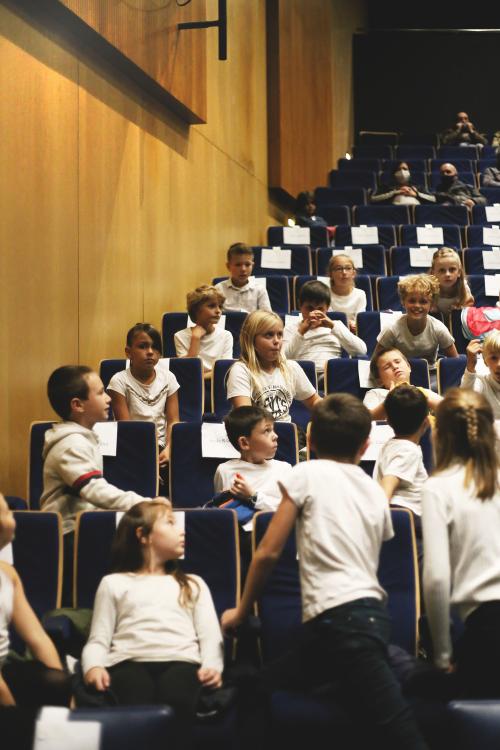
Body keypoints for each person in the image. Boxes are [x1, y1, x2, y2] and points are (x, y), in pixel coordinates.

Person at [221, 394, 429, 750]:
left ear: (311, 440)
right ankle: (406, 670)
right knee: (258, 687)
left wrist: (241, 610)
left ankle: (418, 676)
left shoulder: (306, 472)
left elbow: (268, 552)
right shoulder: (374, 491)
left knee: (399, 728)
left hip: (342, 621)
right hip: (365, 619)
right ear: (366, 446)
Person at [82, 500, 223, 742]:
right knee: (135, 712)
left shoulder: (193, 583)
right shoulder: (114, 583)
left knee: (177, 703)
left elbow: (210, 637)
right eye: (170, 523)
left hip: (181, 660)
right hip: (127, 661)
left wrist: (212, 666)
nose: (182, 530)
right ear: (143, 535)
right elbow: (98, 639)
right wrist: (93, 666)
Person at [41, 365, 157, 604]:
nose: (108, 399)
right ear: (77, 405)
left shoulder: (82, 437)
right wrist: (145, 503)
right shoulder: (70, 444)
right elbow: (94, 489)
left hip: (86, 527)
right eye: (101, 393)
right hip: (69, 536)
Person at [422, 389, 500, 697]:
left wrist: (442, 656)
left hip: (488, 627)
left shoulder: (438, 488)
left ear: (438, 434)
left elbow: (437, 578)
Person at [0, 493, 71, 707]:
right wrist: (12, 715)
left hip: (4, 665)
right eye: (5, 512)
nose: (11, 516)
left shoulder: (8, 574)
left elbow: (37, 638)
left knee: (55, 683)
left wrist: (66, 696)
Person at [108, 323, 180, 486]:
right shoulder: (118, 380)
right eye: (142, 346)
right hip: (132, 445)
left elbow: (173, 421)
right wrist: (148, 463)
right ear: (128, 352)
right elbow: (126, 428)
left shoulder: (169, 378)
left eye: (155, 347)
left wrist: (169, 449)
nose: (150, 352)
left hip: (162, 445)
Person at [226, 310, 321, 423]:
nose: (277, 341)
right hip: (256, 436)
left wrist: (337, 413)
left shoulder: (291, 367)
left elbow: (314, 401)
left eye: (280, 334)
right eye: (269, 335)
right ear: (251, 340)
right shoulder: (241, 370)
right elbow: (246, 420)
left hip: (286, 435)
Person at [214, 406, 292, 517]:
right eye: (267, 431)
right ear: (244, 443)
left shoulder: (284, 469)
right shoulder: (225, 470)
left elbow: (290, 510)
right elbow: (223, 513)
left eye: (273, 429)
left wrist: (253, 496)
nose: (275, 436)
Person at [374, 385, 429, 538]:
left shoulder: (391, 445)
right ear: (426, 422)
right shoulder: (408, 451)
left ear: (388, 421)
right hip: (410, 519)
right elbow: (389, 482)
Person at [283, 280, 366, 381]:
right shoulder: (291, 328)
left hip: (332, 375)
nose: (314, 313)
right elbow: (283, 358)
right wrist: (301, 332)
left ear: (327, 307)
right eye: (309, 308)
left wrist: (332, 326)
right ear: (300, 305)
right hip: (302, 377)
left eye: (320, 309)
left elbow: (361, 350)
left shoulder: (336, 326)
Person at [372, 274, 458, 370]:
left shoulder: (438, 329)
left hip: (430, 374)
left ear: (432, 304)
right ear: (403, 302)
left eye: (423, 302)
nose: (417, 305)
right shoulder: (392, 328)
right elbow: (375, 362)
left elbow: (455, 362)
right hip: (399, 374)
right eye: (412, 301)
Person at [364, 348, 442, 419]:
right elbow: (366, 419)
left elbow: (448, 408)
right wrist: (389, 402)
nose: (395, 367)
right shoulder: (375, 393)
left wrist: (426, 398)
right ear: (379, 381)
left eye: (397, 362)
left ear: (409, 367)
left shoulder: (422, 392)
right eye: (387, 367)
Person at [174, 285, 233, 377]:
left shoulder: (226, 335)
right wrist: (195, 339)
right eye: (211, 306)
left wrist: (201, 377)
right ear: (196, 310)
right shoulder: (180, 336)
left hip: (217, 384)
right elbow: (187, 371)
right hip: (191, 385)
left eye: (220, 306)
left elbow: (225, 370)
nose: (218, 311)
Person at [215, 243, 272, 313]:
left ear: (252, 266)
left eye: (247, 265)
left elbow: (267, 318)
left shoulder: (259, 290)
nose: (243, 269)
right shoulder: (219, 289)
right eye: (238, 265)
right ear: (228, 266)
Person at [461, 330, 500, 419]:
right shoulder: (481, 383)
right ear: (485, 361)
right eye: (494, 358)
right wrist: (471, 365)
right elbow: (465, 401)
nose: (499, 364)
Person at [429, 247, 474, 315]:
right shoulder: (428, 289)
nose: (447, 274)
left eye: (452, 269)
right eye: (442, 270)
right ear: (433, 273)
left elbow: (468, 309)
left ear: (459, 272)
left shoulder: (464, 288)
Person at [327, 254, 367, 331]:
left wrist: (355, 325)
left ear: (354, 273)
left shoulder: (360, 294)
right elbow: (329, 319)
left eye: (348, 268)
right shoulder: (324, 294)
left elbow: (360, 321)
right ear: (331, 274)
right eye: (339, 268)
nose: (344, 272)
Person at [370, 161, 435, 206]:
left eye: (405, 169)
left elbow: (433, 199)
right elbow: (373, 199)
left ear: (409, 172)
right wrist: (394, 193)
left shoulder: (417, 186)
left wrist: (416, 194)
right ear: (394, 172)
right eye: (399, 169)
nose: (402, 172)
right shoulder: (387, 186)